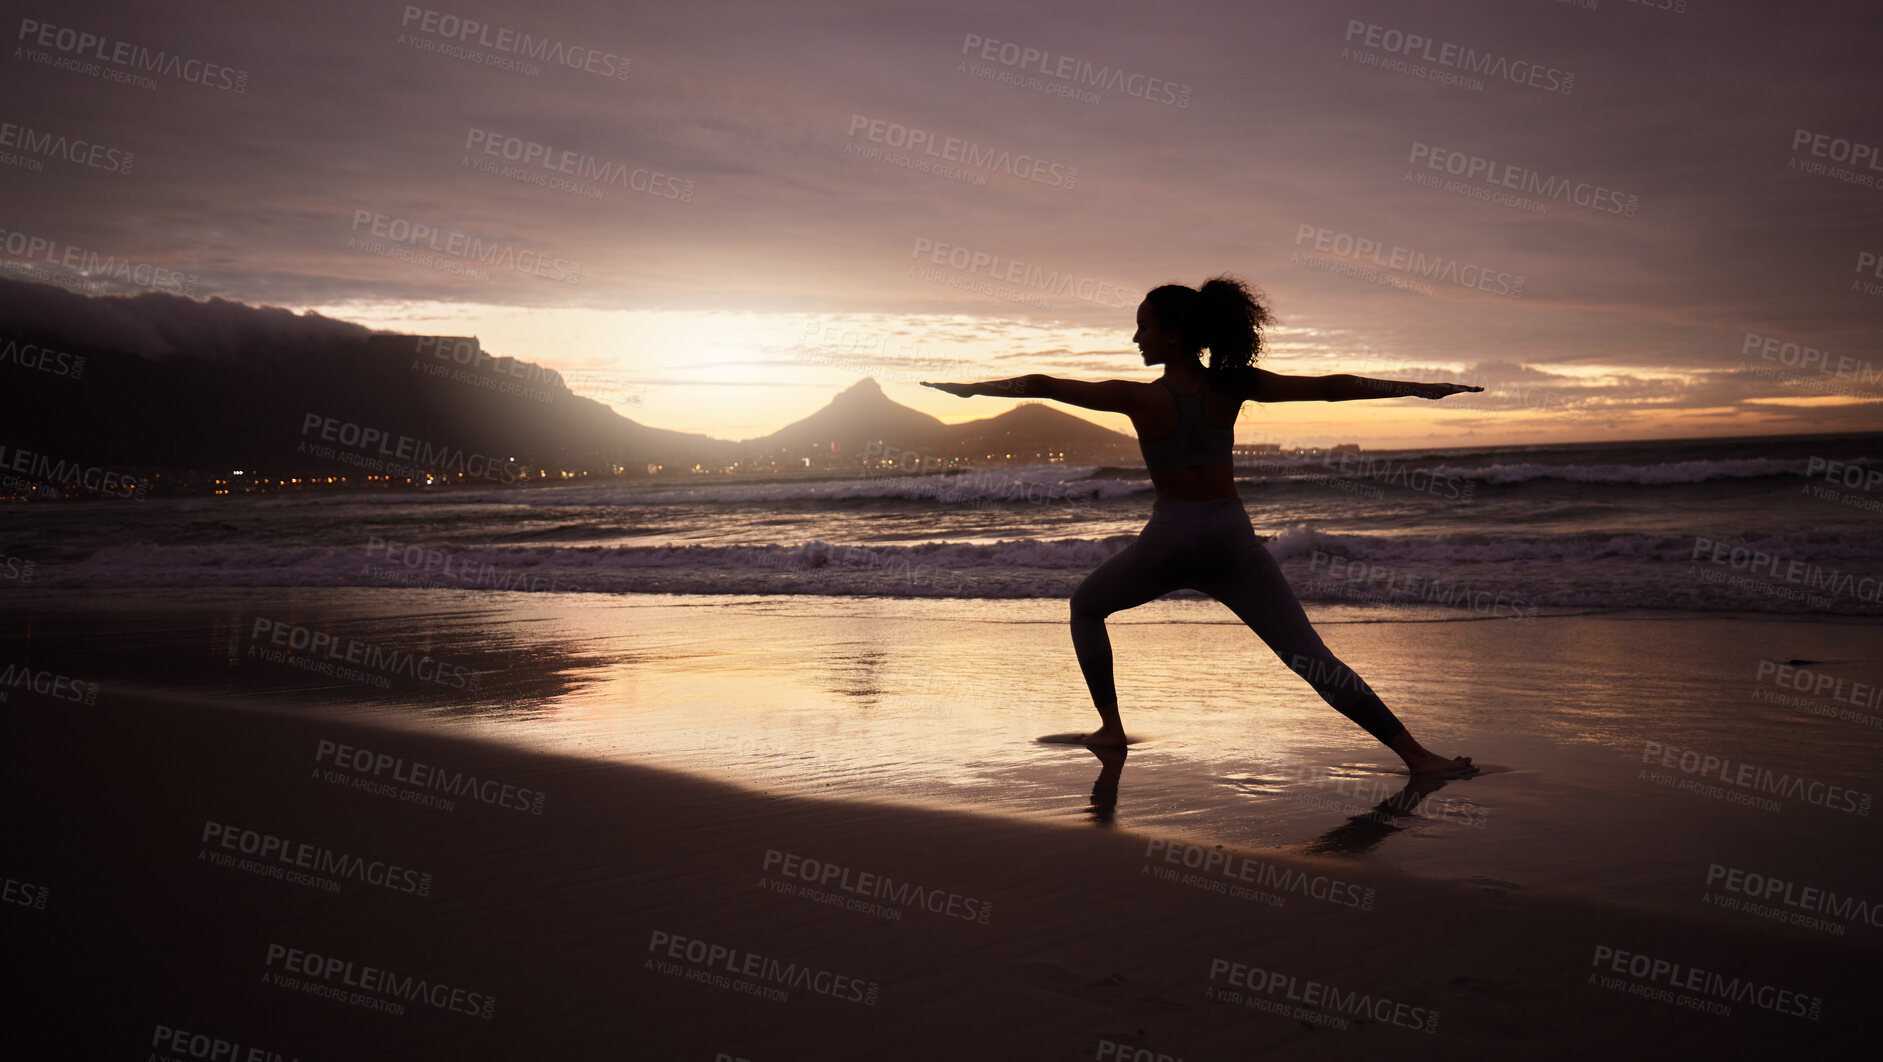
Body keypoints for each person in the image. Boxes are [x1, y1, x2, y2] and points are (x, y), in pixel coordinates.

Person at [922, 275, 1480, 776]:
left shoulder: (1137, 397)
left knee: (1087, 607)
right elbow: (1331, 384)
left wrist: (973, 389)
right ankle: (1418, 756)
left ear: (1171, 336)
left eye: (1143, 327)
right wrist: (1414, 388)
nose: (1135, 338)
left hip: (1168, 540)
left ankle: (1111, 729)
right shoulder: (1231, 386)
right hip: (1230, 540)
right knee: (1312, 659)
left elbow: (1043, 382)